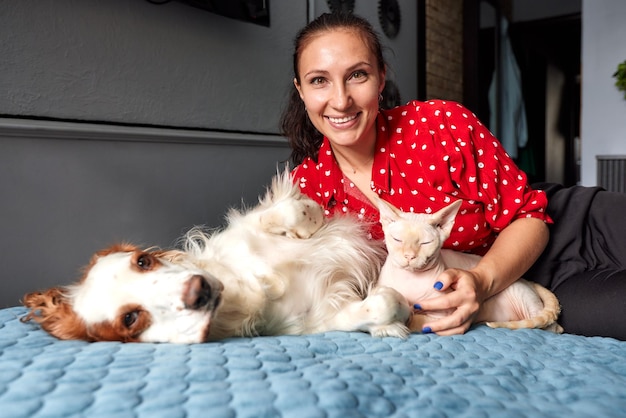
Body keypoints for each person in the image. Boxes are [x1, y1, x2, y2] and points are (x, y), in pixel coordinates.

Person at [280, 12, 626, 340]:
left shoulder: (440, 124)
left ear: (381, 77)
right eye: (319, 81)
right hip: (539, 286)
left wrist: (482, 280)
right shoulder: (306, 192)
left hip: (576, 225)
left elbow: (529, 215)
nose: (340, 100)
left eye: (358, 75)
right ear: (301, 89)